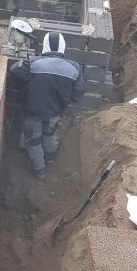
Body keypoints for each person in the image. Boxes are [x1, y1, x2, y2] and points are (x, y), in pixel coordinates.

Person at [10, 31, 86, 178]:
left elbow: (14, 70)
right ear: (63, 47)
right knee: (49, 133)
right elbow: (78, 94)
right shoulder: (74, 68)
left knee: (33, 139)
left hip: (33, 112)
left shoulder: (33, 63)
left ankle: (39, 170)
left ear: (45, 46)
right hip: (54, 112)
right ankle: (50, 159)